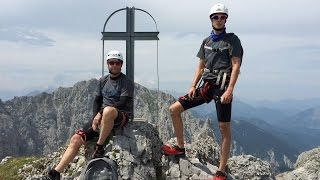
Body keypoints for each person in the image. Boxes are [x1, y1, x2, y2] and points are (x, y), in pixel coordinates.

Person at [162, 3, 243, 180]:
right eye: (216, 17)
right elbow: (200, 67)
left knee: (224, 128)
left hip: (222, 87)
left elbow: (236, 66)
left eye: (222, 17)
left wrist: (229, 90)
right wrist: (192, 86)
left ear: (226, 19)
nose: (219, 20)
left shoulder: (233, 40)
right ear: (211, 19)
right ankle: (180, 147)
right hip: (206, 86)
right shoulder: (206, 42)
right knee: (174, 109)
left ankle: (220, 171)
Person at [43, 50, 134, 180]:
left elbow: (122, 102)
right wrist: (94, 118)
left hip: (120, 115)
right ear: (107, 64)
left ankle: (99, 147)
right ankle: (56, 172)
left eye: (117, 63)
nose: (114, 65)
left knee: (108, 110)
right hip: (103, 115)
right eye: (111, 62)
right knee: (76, 138)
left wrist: (101, 113)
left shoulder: (126, 81)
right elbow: (97, 100)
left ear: (121, 64)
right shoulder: (103, 81)